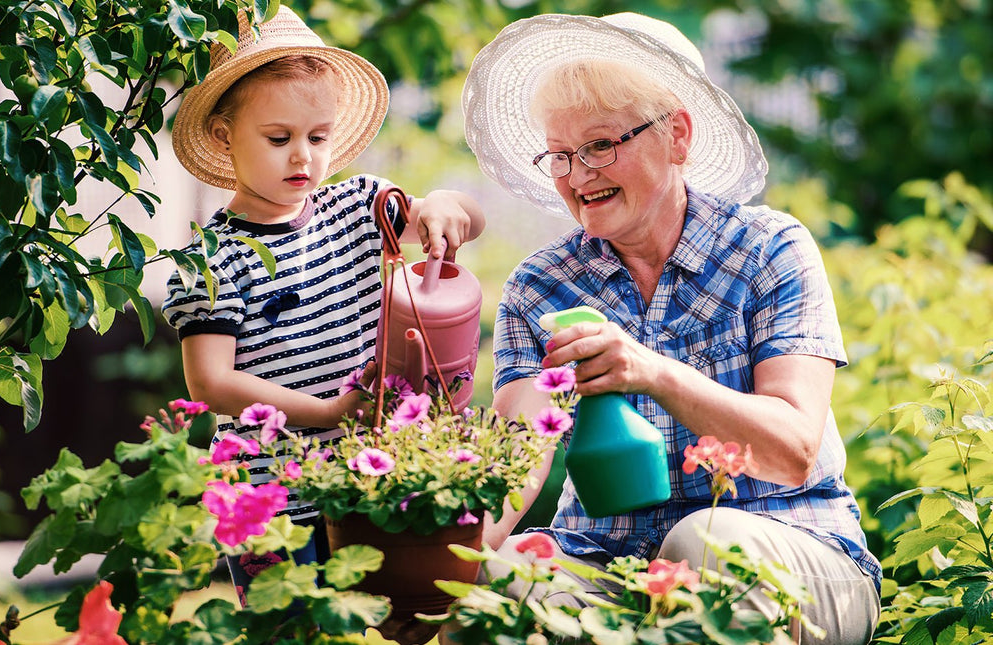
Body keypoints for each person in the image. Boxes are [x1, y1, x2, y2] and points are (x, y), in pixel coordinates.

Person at [458, 12, 880, 644]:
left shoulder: (767, 249)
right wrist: (446, 574)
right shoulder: (541, 286)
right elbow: (516, 464)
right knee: (501, 580)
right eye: (561, 155)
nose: (577, 176)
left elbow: (792, 450)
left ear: (677, 135)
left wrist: (650, 372)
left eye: (600, 146)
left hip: (796, 553)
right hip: (609, 563)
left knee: (705, 544)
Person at [161, 5, 484, 608]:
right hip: (265, 492)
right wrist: (326, 411)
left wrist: (444, 203)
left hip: (366, 471)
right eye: (279, 139)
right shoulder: (210, 258)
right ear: (224, 136)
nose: (303, 157)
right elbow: (211, 380)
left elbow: (466, 219)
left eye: (318, 138)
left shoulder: (358, 205)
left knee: (389, 610)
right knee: (290, 623)